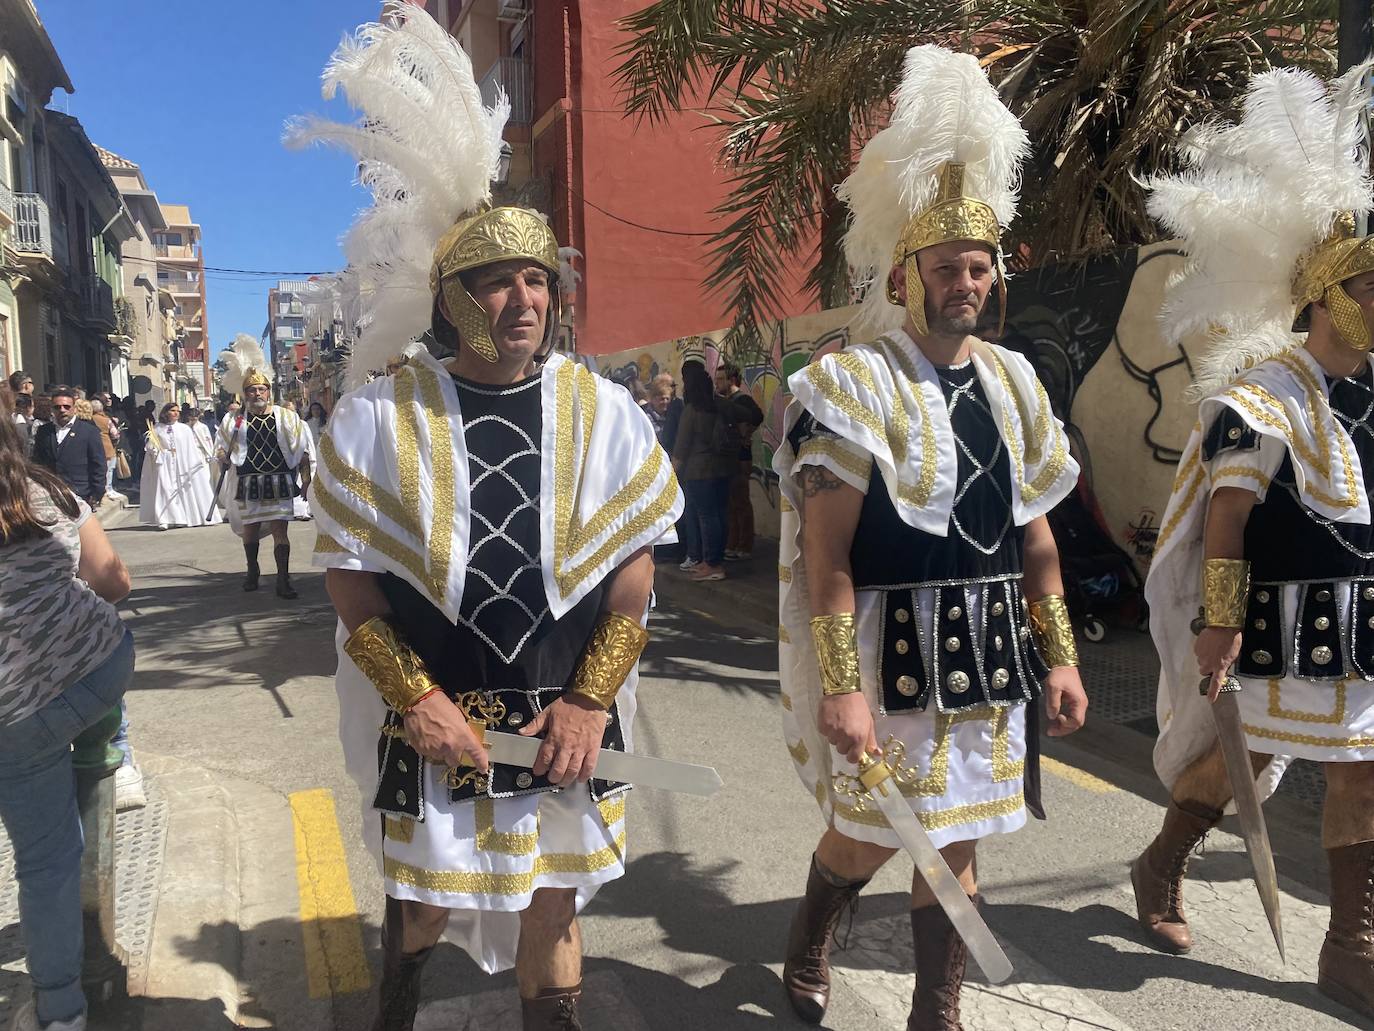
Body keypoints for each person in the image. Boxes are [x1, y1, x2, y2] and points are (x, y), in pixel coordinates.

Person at [292, 8, 682, 1028]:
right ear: (456, 296)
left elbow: (635, 566)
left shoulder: (604, 413)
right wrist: (413, 697)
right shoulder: (382, 412)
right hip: (432, 716)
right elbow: (349, 571)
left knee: (554, 907)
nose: (525, 297)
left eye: (537, 278)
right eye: (500, 279)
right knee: (420, 908)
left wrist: (593, 700)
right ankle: (398, 1009)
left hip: (561, 721)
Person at [774, 47, 1088, 1029]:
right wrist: (839, 684)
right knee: (869, 835)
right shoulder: (847, 386)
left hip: (993, 649)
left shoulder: (1017, 382)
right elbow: (826, 560)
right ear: (906, 274)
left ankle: (935, 1013)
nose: (966, 279)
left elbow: (1036, 535)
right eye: (947, 264)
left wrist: (1063, 655)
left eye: (980, 263)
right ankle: (816, 924)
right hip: (886, 645)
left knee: (958, 844)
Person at [1134, 64, 1374, 1020]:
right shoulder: (1260, 395)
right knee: (1243, 773)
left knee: (1363, 767)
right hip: (1277, 622)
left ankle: (1350, 948)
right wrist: (1219, 628)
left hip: (1364, 621)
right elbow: (1227, 519)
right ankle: (1161, 862)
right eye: (1365, 284)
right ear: (1324, 296)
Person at [0, 390, 134, 1031]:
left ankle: (61, 1013)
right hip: (93, 673)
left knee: (45, 862)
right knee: (104, 681)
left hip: (13, 722)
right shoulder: (44, 491)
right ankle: (116, 754)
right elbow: (113, 582)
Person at [214, 336, 310, 599]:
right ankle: (252, 570)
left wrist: (307, 479)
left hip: (279, 480)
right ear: (244, 394)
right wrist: (222, 455)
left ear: (269, 391)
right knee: (251, 529)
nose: (257, 394)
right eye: (251, 391)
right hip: (249, 482)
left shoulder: (287, 417)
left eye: (261, 389)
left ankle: (283, 579)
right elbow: (220, 446)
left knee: (281, 530)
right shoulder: (233, 420)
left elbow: (302, 449)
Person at [671, 360, 735, 581]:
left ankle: (711, 564)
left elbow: (681, 447)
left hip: (699, 472)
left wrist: (671, 475)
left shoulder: (691, 411)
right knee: (720, 515)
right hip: (723, 469)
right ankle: (716, 559)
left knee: (707, 517)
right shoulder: (720, 406)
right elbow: (749, 414)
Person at [139, 402, 220, 530]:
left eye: (178, 411)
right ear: (165, 413)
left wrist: (194, 464)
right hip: (164, 463)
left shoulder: (184, 429)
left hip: (182, 463)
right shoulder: (157, 428)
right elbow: (151, 444)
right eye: (172, 410)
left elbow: (190, 449)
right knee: (164, 489)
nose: (176, 413)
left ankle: (183, 517)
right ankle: (164, 518)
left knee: (183, 489)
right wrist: (153, 450)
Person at [715, 362, 764, 560]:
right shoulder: (725, 400)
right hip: (728, 458)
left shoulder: (742, 400)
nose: (717, 384)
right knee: (730, 503)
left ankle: (745, 544)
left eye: (720, 380)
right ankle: (733, 542)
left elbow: (757, 416)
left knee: (740, 501)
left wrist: (746, 433)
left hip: (740, 458)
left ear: (732, 380)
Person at [31, 387, 106, 510]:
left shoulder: (89, 431)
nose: (62, 410)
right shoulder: (44, 431)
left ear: (74, 408)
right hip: (51, 493)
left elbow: (98, 464)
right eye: (57, 407)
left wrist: (97, 492)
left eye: (66, 406)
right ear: (52, 409)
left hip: (80, 493)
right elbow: (38, 461)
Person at [88, 400, 123, 505]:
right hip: (107, 446)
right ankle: (108, 489)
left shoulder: (90, 419)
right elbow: (114, 434)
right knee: (109, 470)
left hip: (95, 447)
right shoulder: (106, 420)